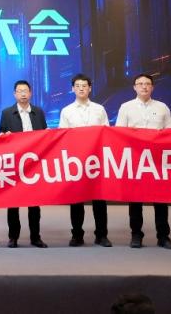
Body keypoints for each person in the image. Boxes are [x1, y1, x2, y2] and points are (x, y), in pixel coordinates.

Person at [115, 73, 171, 250]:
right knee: (135, 199)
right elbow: (118, 133)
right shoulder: (126, 107)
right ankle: (136, 234)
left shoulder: (162, 107)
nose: (144, 86)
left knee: (161, 199)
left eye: (147, 84)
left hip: (157, 160)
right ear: (134, 87)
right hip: (135, 160)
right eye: (140, 84)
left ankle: (163, 236)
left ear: (152, 87)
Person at [58, 73, 111, 247]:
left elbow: (107, 133)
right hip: (76, 161)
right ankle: (77, 235)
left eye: (84, 86)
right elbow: (63, 136)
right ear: (72, 89)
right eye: (78, 86)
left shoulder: (99, 109)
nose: (81, 88)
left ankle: (101, 235)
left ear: (90, 88)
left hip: (96, 160)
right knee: (76, 199)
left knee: (99, 199)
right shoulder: (66, 111)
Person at [0, 79, 48, 248]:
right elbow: (1, 135)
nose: (23, 94)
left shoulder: (38, 112)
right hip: (15, 163)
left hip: (34, 164)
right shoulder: (7, 113)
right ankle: (13, 237)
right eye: (19, 91)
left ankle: (35, 236)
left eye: (25, 90)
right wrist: (5, 136)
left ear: (30, 93)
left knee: (34, 203)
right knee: (13, 202)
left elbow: (45, 135)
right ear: (15, 94)